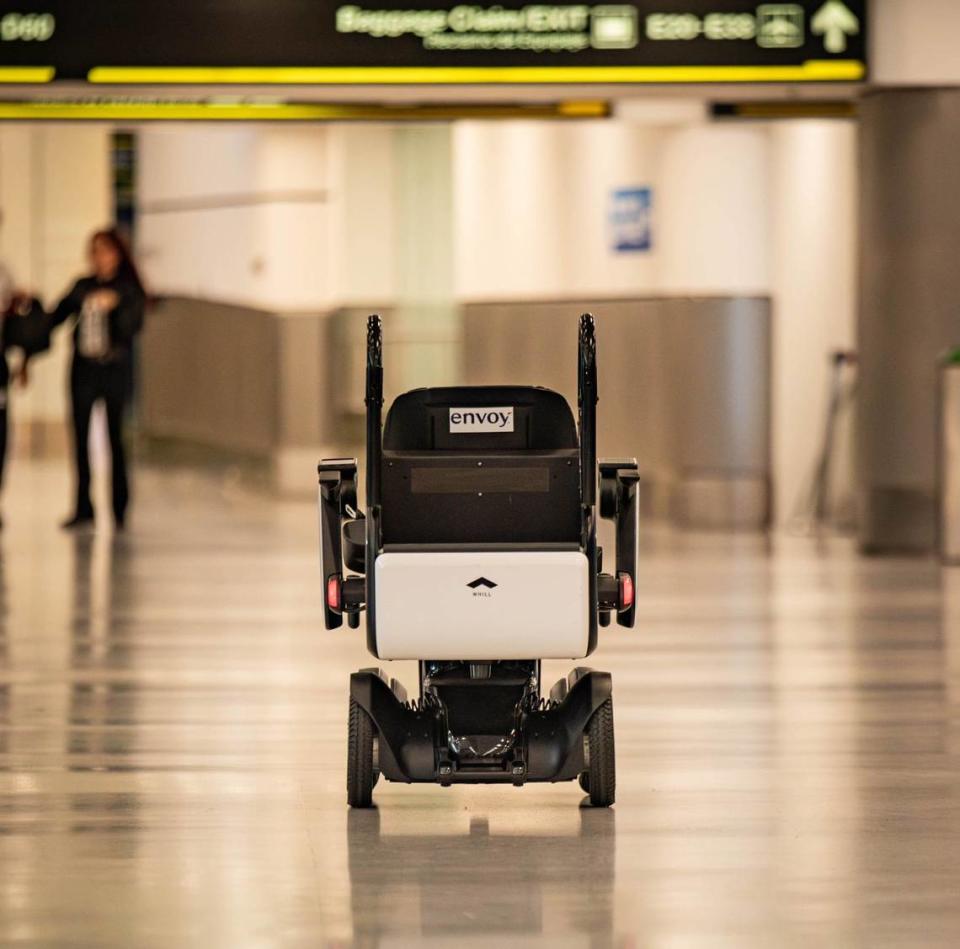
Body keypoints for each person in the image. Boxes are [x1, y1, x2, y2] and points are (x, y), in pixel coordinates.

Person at [47, 229, 146, 530]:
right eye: (95, 252)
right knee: (80, 438)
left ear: (117, 254)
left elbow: (133, 326)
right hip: (84, 370)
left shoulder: (128, 290)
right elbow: (56, 316)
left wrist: (114, 305)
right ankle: (82, 507)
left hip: (114, 369)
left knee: (116, 439)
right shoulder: (82, 286)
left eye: (105, 251)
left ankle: (119, 507)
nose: (99, 258)